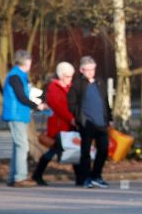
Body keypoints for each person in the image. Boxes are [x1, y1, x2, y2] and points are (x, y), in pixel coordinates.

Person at [1, 50, 48, 187]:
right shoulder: (15, 76)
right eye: (30, 62)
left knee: (18, 146)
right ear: (25, 62)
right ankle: (20, 177)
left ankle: (13, 177)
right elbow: (21, 97)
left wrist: (38, 100)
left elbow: (26, 92)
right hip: (16, 114)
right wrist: (36, 105)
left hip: (20, 114)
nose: (30, 64)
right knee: (22, 146)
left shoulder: (20, 75)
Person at [67, 56, 111, 189]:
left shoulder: (99, 82)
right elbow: (71, 103)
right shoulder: (77, 85)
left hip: (101, 122)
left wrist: (110, 117)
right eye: (88, 70)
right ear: (81, 70)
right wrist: (80, 118)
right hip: (87, 123)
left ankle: (96, 175)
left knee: (103, 150)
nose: (91, 72)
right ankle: (86, 178)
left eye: (93, 69)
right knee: (85, 151)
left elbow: (105, 101)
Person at [33, 62, 79, 186]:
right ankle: (37, 175)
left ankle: (37, 174)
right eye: (68, 76)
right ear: (61, 76)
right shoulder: (53, 88)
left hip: (68, 125)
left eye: (71, 76)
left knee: (70, 149)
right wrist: (72, 119)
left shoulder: (68, 87)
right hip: (59, 126)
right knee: (58, 149)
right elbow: (60, 107)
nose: (70, 79)